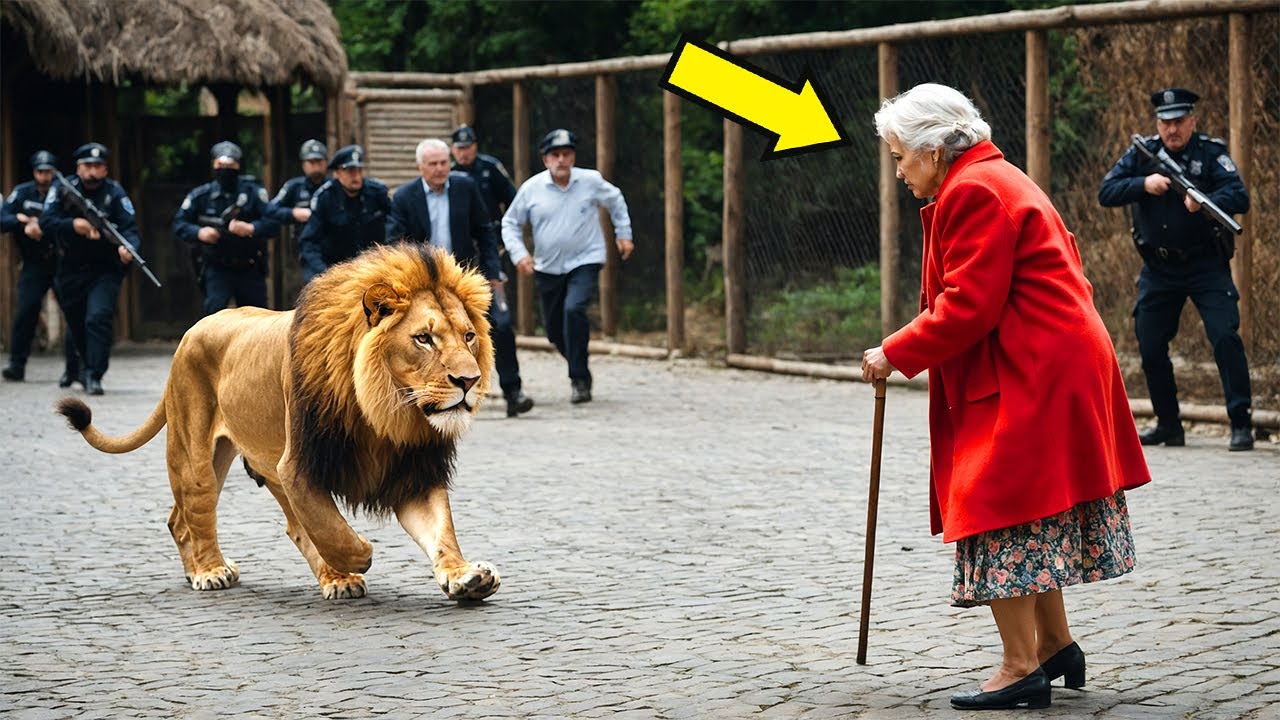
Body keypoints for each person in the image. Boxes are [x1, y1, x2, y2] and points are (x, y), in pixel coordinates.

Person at [861, 84, 1151, 710]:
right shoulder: (993, 176)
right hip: (1051, 354)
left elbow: (968, 304)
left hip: (1037, 363)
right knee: (1029, 505)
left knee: (996, 502)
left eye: (901, 156)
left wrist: (895, 351)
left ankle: (1021, 666)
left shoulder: (972, 190)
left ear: (935, 151)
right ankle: (1055, 645)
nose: (899, 170)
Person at [1098, 88, 1254, 451]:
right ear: (1158, 123)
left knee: (1225, 336)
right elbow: (1106, 192)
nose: (1173, 130)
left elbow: (1240, 196)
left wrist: (1204, 201)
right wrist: (1143, 184)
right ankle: (1169, 424)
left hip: (1205, 263)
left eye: (1180, 122)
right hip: (1159, 266)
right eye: (1166, 122)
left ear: (1192, 122)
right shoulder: (1143, 154)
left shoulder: (1210, 153)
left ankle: (1241, 422)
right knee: (1150, 342)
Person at [387, 138, 534, 418]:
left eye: (443, 163)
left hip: (466, 279)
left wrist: (493, 272)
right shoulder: (405, 197)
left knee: (500, 324)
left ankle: (514, 392)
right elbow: (396, 244)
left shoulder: (466, 186)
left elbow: (485, 231)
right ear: (420, 167)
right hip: (425, 286)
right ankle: (429, 394)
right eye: (433, 164)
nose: (440, 169)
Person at [500, 128, 634, 404]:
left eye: (567, 154)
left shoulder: (590, 181)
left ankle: (579, 378)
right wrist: (520, 254)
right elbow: (510, 223)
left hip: (585, 259)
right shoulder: (532, 188)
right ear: (545, 159)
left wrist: (624, 234)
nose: (562, 160)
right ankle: (578, 361)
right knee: (554, 331)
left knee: (574, 309)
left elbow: (616, 200)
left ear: (573, 157)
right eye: (555, 155)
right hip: (548, 267)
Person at [39, 142, 142, 396]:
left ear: (105, 169)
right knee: (76, 324)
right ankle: (84, 368)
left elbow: (129, 228)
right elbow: (46, 222)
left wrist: (128, 247)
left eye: (98, 166)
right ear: (78, 168)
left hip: (105, 269)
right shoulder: (62, 188)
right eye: (87, 166)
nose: (92, 171)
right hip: (71, 269)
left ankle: (95, 374)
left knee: (98, 318)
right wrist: (74, 225)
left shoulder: (115, 192)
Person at [171, 141, 279, 315]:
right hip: (217, 268)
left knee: (256, 320)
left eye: (231, 165)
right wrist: (200, 232)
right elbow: (179, 224)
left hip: (249, 267)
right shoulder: (201, 195)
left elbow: (274, 223)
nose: (225, 169)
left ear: (238, 165)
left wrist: (251, 228)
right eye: (221, 165)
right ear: (213, 164)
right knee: (214, 318)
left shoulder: (253, 193)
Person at [0, 150, 80, 385]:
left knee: (74, 312)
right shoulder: (23, 192)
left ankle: (75, 369)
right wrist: (22, 221)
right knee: (26, 311)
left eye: (48, 171)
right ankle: (16, 365)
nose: (44, 176)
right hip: (34, 263)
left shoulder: (66, 192)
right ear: (34, 172)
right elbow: (3, 219)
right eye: (40, 171)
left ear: (54, 172)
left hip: (62, 260)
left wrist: (42, 227)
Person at [297, 144, 390, 282]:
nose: (356, 176)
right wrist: (324, 273)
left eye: (359, 170)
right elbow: (309, 242)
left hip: (373, 266)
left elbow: (395, 226)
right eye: (350, 171)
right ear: (337, 173)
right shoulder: (325, 197)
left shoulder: (377, 193)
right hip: (334, 267)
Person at [266, 138, 329, 229]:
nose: (316, 166)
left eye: (319, 161)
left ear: (326, 162)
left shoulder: (334, 186)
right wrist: (293, 213)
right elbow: (270, 209)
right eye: (311, 162)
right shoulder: (294, 186)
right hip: (302, 238)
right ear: (303, 164)